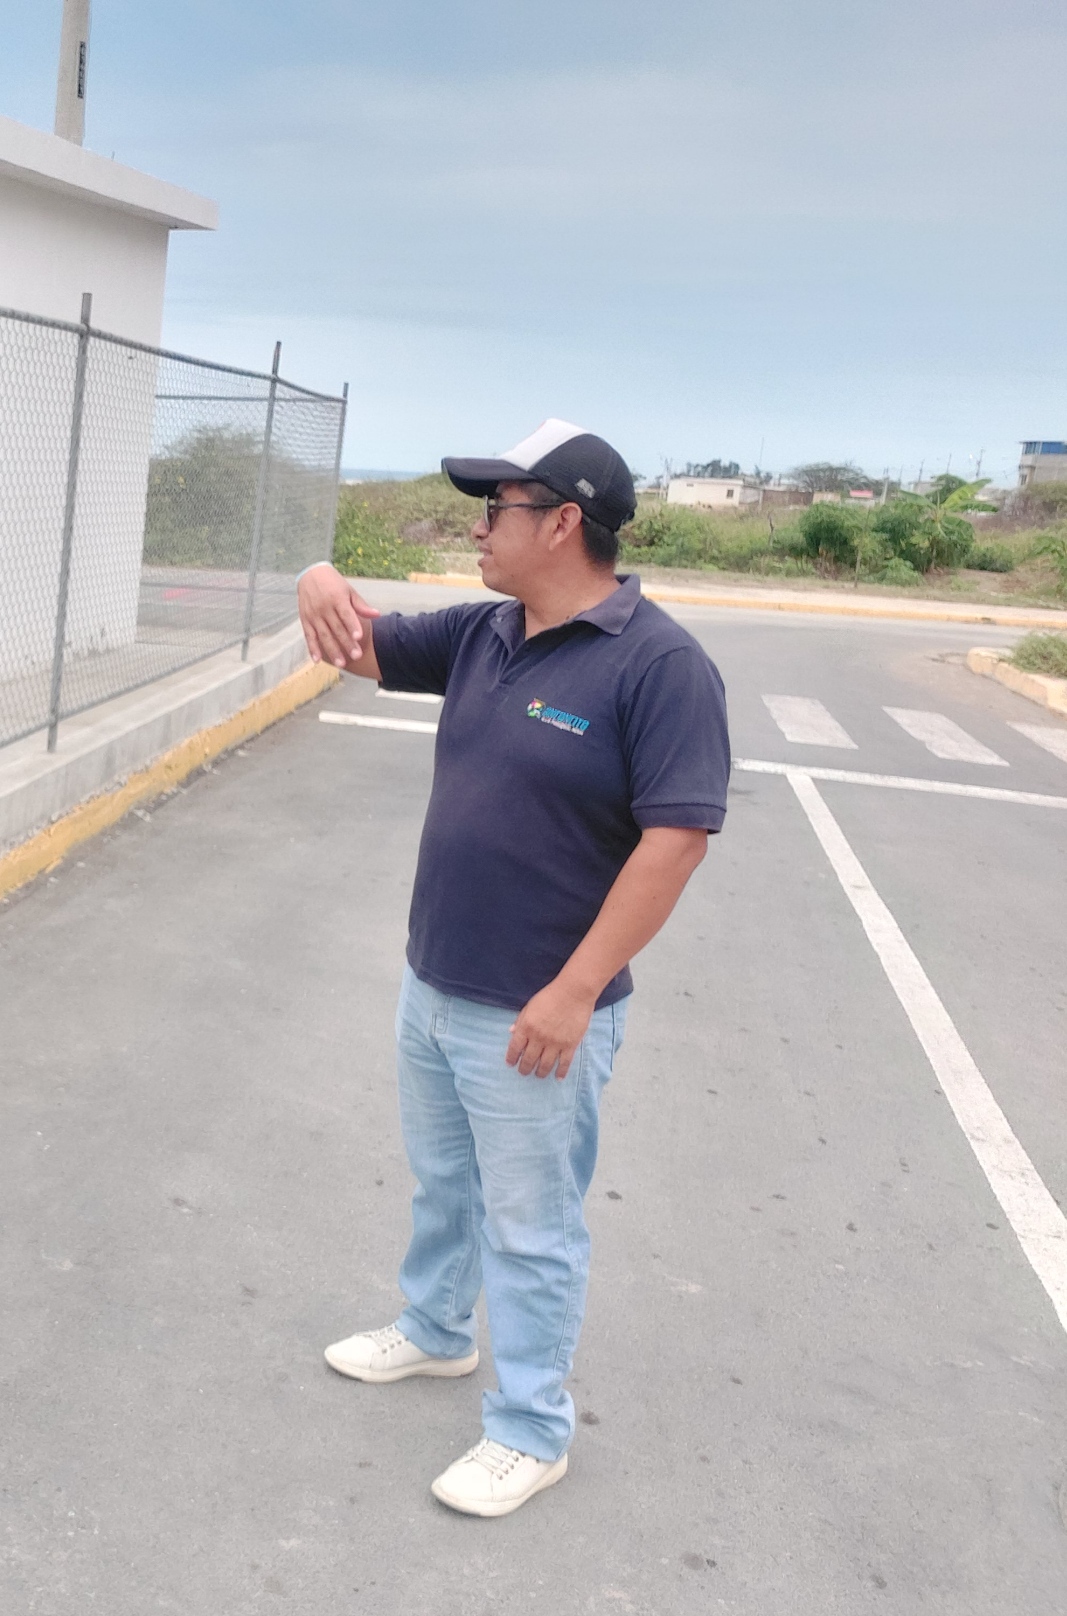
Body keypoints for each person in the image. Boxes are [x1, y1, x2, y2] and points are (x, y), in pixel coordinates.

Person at [297, 421, 730, 1518]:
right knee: (445, 1184)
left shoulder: (660, 665)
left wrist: (575, 990)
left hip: (537, 1010)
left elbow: (675, 840)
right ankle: (436, 1329)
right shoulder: (484, 632)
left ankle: (530, 1428)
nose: (478, 529)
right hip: (436, 980)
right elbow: (357, 645)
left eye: (497, 510)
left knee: (532, 1227)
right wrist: (317, 575)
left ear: (564, 522)